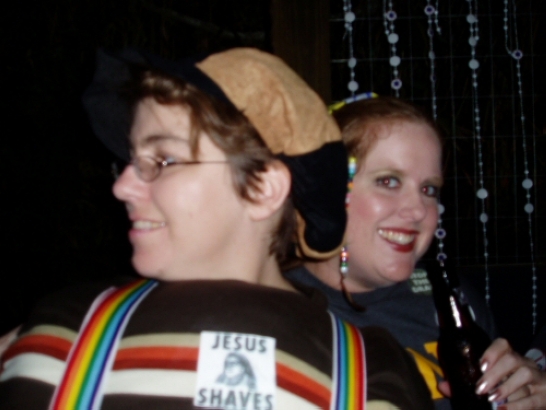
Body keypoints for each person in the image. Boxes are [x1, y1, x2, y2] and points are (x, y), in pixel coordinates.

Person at [0, 49, 434, 409]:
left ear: (263, 189)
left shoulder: (375, 375)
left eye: (163, 160)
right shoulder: (63, 331)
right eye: (131, 161)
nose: (121, 187)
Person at [286, 96, 546, 410]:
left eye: (428, 189)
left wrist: (531, 396)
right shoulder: (278, 314)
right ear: (326, 190)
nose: (418, 210)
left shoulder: (450, 300)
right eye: (388, 181)